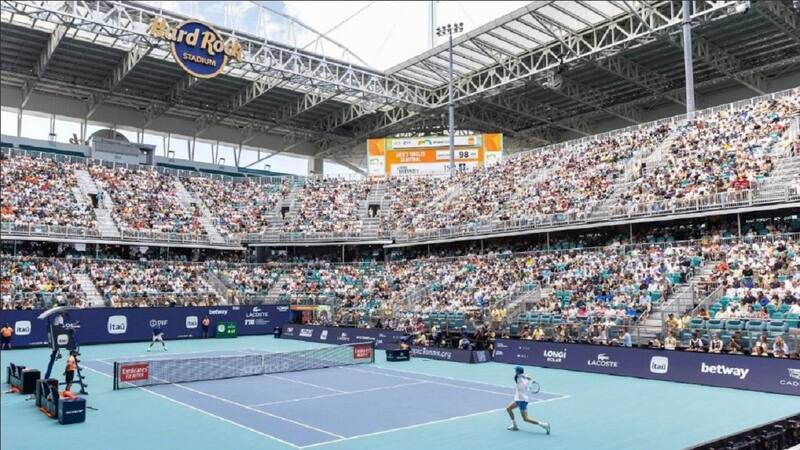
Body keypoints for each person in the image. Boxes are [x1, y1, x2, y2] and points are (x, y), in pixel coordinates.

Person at [506, 366, 550, 434]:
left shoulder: (517, 378)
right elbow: (529, 377)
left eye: (516, 370)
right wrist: (526, 376)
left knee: (526, 419)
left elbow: (518, 376)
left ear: (518, 372)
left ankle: (544, 425)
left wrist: (525, 376)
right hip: (519, 399)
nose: (515, 371)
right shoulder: (526, 380)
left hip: (521, 401)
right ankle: (514, 425)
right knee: (508, 408)